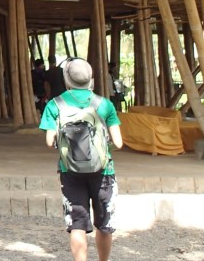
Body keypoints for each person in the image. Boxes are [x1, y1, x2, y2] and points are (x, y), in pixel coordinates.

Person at [39, 57, 124, 261]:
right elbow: (119, 143)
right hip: (103, 172)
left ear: (67, 80)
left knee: (77, 226)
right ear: (91, 79)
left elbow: (49, 141)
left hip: (70, 172)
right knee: (104, 225)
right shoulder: (104, 104)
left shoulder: (54, 105)